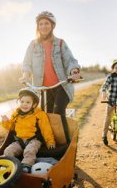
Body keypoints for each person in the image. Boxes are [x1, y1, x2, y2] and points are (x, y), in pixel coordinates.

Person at [19, 11, 80, 144]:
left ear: (52, 26)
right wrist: (25, 76)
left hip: (61, 86)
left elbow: (70, 60)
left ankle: (65, 144)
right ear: (37, 26)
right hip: (43, 88)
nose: (43, 26)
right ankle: (49, 142)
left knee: (57, 114)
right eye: (41, 24)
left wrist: (74, 71)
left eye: (46, 23)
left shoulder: (60, 43)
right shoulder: (33, 45)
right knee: (45, 116)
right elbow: (27, 63)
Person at [1, 87, 56, 173]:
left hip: (34, 140)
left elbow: (46, 129)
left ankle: (25, 166)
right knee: (8, 150)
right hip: (19, 140)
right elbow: (12, 128)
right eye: (22, 102)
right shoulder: (16, 114)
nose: (24, 104)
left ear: (34, 104)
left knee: (30, 150)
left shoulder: (39, 115)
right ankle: (7, 166)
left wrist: (50, 141)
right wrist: (5, 122)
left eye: (28, 102)